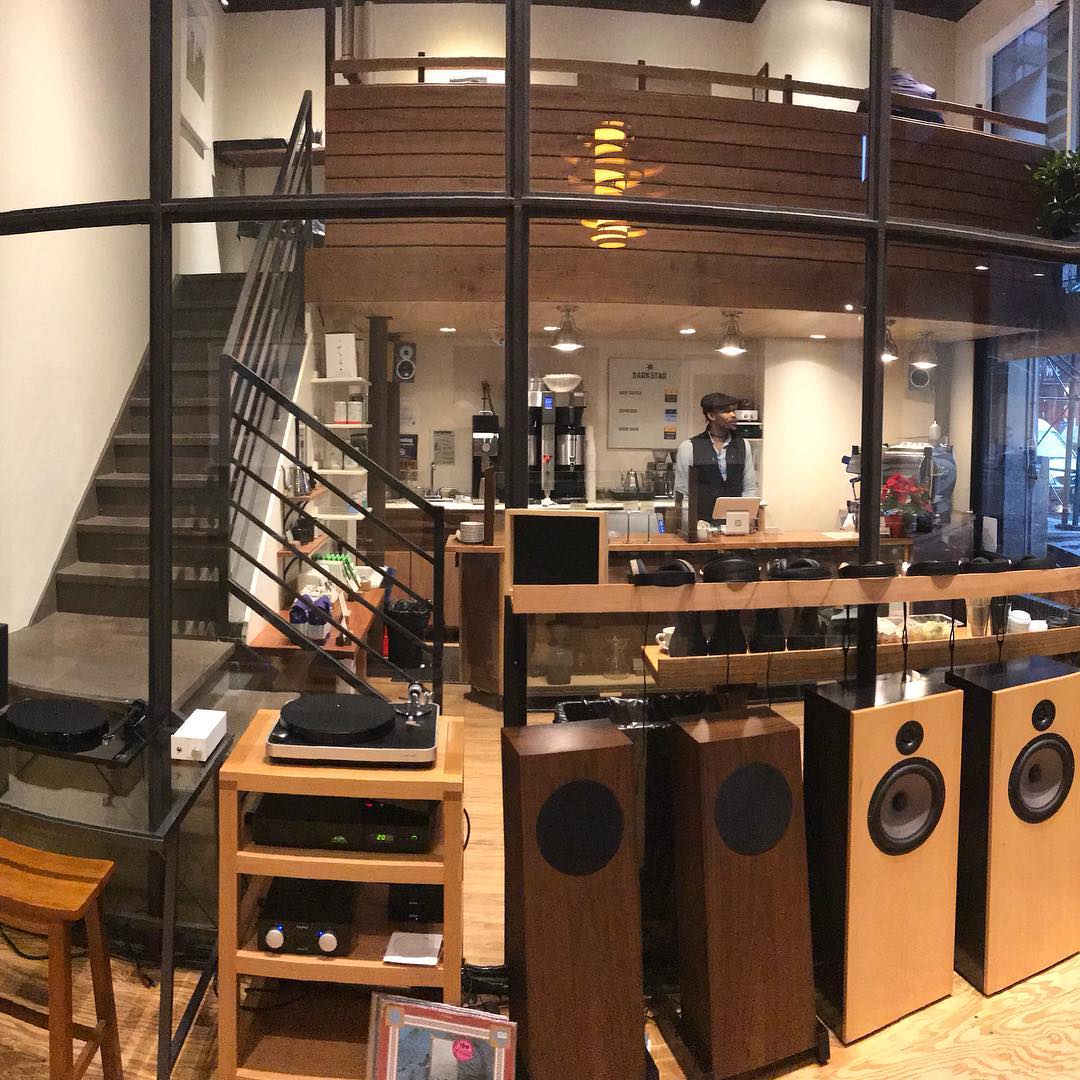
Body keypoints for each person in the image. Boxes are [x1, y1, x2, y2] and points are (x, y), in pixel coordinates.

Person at [674, 392, 759, 526]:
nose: (733, 415)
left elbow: (749, 489)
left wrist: (747, 520)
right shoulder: (689, 447)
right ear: (711, 416)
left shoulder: (743, 445)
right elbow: (683, 494)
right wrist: (690, 526)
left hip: (735, 525)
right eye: (726, 411)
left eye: (733, 411)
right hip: (702, 525)